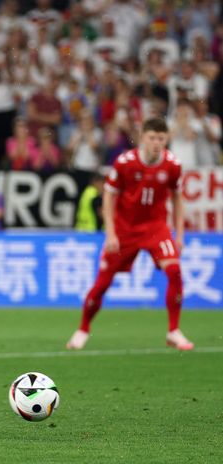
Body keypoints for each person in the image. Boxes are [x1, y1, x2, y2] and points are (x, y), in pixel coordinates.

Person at [67, 118, 193, 351]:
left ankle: (173, 331)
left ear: (167, 139)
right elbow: (109, 195)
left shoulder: (172, 165)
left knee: (174, 271)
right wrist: (111, 233)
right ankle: (83, 329)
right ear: (142, 138)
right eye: (152, 138)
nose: (156, 143)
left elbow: (178, 198)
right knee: (102, 283)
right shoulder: (125, 163)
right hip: (125, 230)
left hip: (155, 228)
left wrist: (180, 235)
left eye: (161, 138)